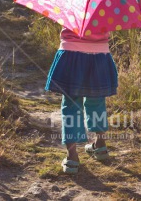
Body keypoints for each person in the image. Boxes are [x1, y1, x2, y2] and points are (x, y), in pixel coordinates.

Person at [45, 27, 118, 174]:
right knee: (97, 101)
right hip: (99, 54)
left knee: (71, 105)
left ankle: (72, 157)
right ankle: (100, 146)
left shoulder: (70, 2)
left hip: (71, 53)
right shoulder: (105, 3)